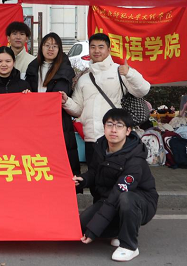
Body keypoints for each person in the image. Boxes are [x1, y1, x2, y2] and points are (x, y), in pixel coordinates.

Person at [73, 108, 158, 262]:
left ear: (128, 131)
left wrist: (94, 230)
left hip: (140, 202)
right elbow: (93, 172)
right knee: (82, 226)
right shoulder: (100, 146)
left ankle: (129, 245)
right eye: (109, 125)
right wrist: (82, 180)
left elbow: (119, 193)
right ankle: (120, 229)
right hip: (110, 198)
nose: (113, 130)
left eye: (119, 126)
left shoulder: (135, 158)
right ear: (104, 127)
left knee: (125, 199)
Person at [61, 33, 150, 164]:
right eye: (93, 47)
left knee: (114, 173)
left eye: (101, 47)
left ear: (109, 50)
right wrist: (66, 101)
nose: (96, 50)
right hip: (91, 138)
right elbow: (78, 109)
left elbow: (143, 90)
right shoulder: (84, 78)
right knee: (93, 174)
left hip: (114, 137)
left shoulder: (120, 71)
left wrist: (130, 73)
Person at [26, 32, 80, 176]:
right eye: (47, 45)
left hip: (58, 120)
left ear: (59, 49)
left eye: (55, 46)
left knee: (60, 159)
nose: (51, 49)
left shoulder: (65, 70)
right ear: (41, 47)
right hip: (36, 121)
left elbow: (63, 94)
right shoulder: (32, 68)